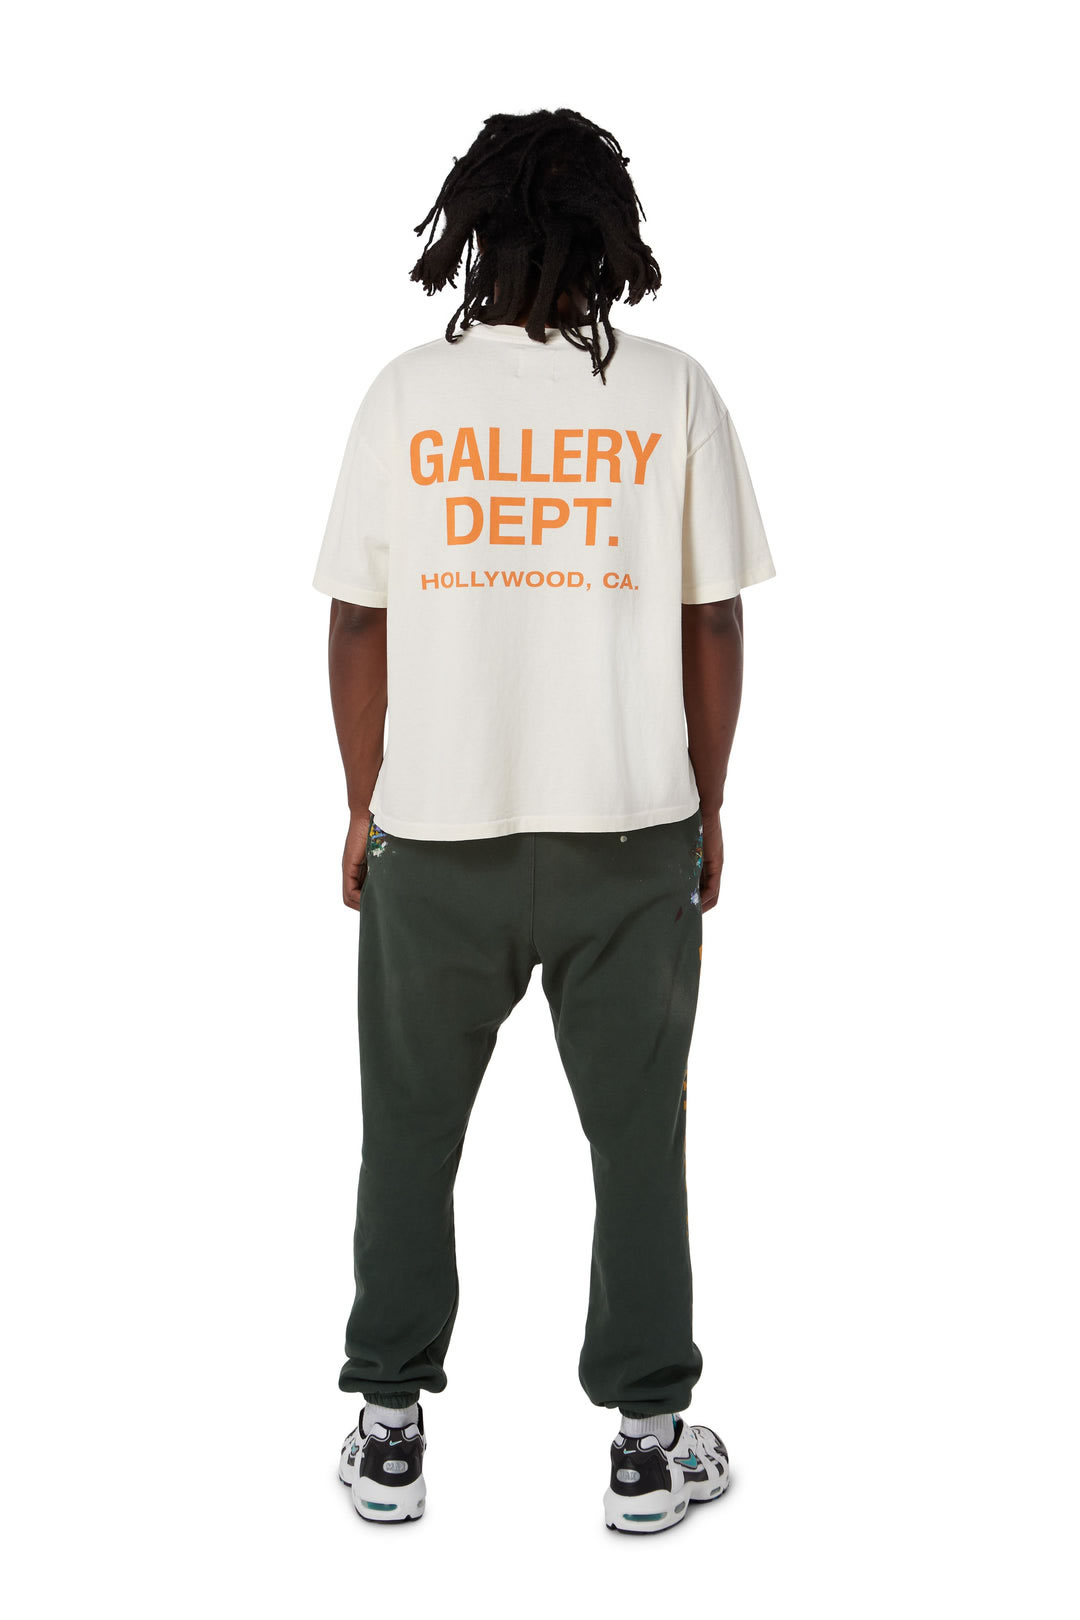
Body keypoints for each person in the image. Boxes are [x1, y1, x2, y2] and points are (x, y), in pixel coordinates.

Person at [313, 107, 775, 1533]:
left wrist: (360, 803)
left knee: (407, 1134)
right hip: (628, 832)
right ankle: (648, 1444)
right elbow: (711, 619)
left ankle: (389, 1429)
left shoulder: (408, 394)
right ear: (608, 239)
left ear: (474, 232)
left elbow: (358, 619)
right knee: (639, 1142)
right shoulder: (672, 391)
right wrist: (709, 799)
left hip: (436, 831)